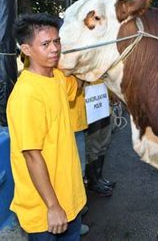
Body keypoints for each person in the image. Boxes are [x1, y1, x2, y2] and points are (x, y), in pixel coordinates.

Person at [7, 13, 86, 240]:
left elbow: (76, 85)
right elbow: (32, 155)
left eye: (56, 41)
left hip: (69, 198)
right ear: (26, 49)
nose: (54, 49)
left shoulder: (57, 78)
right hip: (46, 211)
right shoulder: (26, 95)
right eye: (45, 44)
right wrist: (53, 206)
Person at [68, 85, 90, 236]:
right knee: (69, 175)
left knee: (79, 171)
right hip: (67, 128)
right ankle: (73, 219)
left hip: (76, 124)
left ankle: (78, 209)